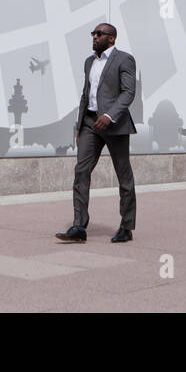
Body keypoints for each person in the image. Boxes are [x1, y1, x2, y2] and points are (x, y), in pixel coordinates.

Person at [56, 23, 137, 243]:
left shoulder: (124, 59)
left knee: (123, 175)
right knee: (81, 171)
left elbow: (128, 92)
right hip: (90, 123)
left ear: (111, 38)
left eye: (98, 34)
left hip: (114, 124)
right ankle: (79, 225)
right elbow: (86, 94)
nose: (94, 37)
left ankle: (126, 227)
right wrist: (80, 125)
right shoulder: (89, 62)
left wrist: (109, 116)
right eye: (93, 33)